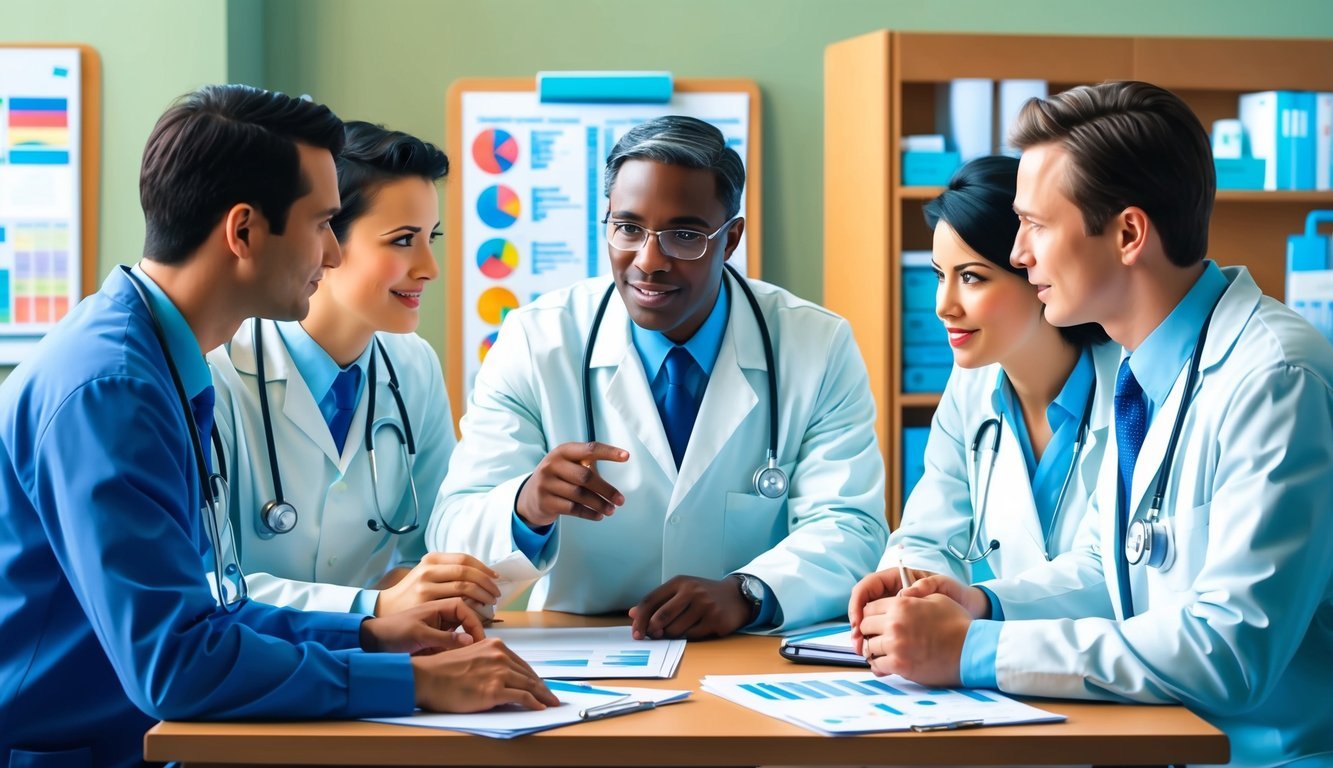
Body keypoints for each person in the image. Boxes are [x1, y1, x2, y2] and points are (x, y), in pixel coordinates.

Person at [0, 84, 554, 768]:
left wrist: (374, 634)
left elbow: (212, 612)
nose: (330, 255)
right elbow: (176, 663)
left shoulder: (158, 360)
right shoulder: (113, 390)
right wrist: (412, 682)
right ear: (243, 231)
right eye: (324, 223)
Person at [855, 81, 1333, 767]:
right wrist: (981, 602)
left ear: (1128, 234)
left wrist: (971, 650)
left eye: (1035, 226)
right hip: (1159, 743)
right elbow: (1105, 569)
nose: (1018, 253)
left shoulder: (1275, 380)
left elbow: (1230, 650)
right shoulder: (1145, 371)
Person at [430, 115, 887, 639]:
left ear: (731, 237)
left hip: (748, 653)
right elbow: (452, 538)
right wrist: (524, 506)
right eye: (627, 228)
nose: (649, 261)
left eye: (684, 235)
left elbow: (851, 526)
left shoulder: (815, 345)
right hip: (579, 659)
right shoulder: (536, 342)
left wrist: (747, 592)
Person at [209, 121, 499, 617]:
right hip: (255, 676)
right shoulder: (219, 371)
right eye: (404, 240)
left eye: (432, 238)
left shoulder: (414, 365)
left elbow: (439, 542)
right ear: (325, 240)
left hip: (385, 669)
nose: (429, 266)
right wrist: (375, 605)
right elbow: (206, 585)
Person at [850, 156, 1119, 630]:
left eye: (971, 277)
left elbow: (1110, 571)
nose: (943, 306)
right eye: (939, 275)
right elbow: (931, 530)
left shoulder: (1130, 390)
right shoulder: (970, 387)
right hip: (1005, 675)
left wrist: (979, 602)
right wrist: (907, 580)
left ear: (1037, 273)